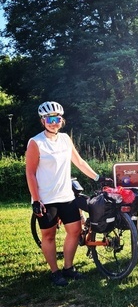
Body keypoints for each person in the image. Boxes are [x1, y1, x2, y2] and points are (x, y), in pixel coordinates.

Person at [25, 101, 104, 286]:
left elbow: (79, 162)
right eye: (50, 119)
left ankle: (68, 268)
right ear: (43, 120)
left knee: (75, 231)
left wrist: (97, 177)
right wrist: (36, 200)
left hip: (66, 195)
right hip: (46, 198)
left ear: (62, 120)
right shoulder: (36, 142)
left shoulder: (65, 139)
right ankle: (55, 272)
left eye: (58, 119)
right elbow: (30, 172)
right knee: (49, 235)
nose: (54, 122)